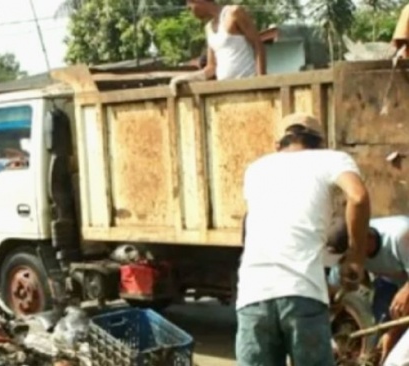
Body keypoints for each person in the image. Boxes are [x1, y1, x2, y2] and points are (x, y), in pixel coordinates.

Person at [237, 113, 370, 366]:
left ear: (278, 145)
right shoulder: (331, 159)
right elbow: (359, 197)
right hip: (303, 292)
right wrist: (356, 258)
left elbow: (247, 225)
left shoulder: (256, 168)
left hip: (252, 295)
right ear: (320, 143)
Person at [327, 216, 409, 363]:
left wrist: (393, 333)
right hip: (392, 283)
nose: (345, 262)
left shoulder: (400, 235)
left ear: (363, 238)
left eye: (347, 255)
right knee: (379, 330)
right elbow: (332, 291)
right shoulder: (349, 253)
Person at [170, 0, 266, 92]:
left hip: (247, 85)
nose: (190, 12)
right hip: (225, 89)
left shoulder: (234, 13)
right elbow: (211, 68)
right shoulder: (208, 29)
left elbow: (258, 45)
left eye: (190, 7)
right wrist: (184, 78)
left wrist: (261, 83)